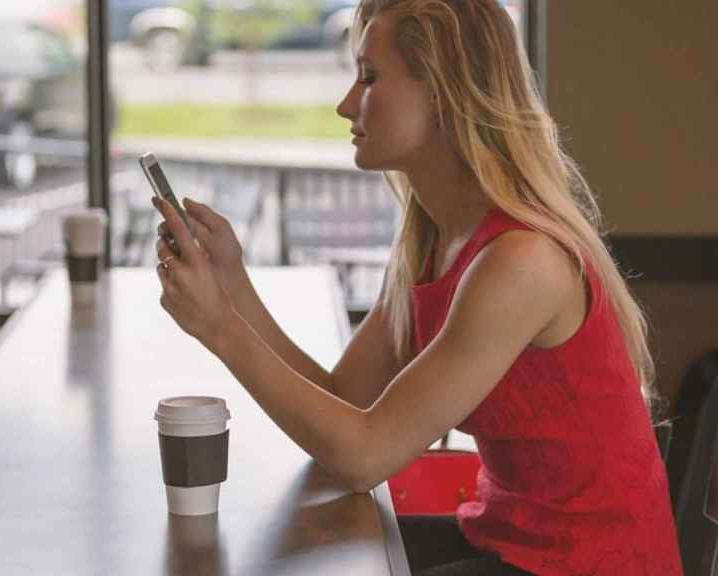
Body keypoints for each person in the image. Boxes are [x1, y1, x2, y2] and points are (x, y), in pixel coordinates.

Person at [150, 0, 681, 574]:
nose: (345, 104)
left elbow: (362, 457)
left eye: (369, 77)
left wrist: (220, 329)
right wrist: (231, 287)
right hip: (508, 543)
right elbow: (349, 402)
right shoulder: (430, 243)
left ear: (446, 93)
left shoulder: (521, 262)